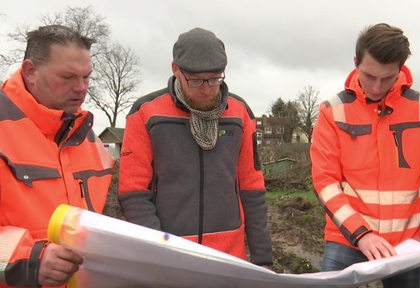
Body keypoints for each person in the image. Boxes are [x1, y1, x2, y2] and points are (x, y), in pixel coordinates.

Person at [310, 23, 420, 287]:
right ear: (356, 62)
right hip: (347, 239)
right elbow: (325, 182)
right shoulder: (332, 111)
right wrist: (361, 234)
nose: (376, 87)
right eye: (368, 76)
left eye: (386, 78)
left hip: (408, 244)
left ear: (401, 67)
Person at [117, 27, 273, 266]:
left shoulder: (240, 112)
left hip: (228, 257)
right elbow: (134, 193)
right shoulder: (145, 112)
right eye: (196, 80)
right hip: (170, 256)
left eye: (214, 79)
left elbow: (252, 189)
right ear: (175, 70)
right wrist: (160, 251)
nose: (206, 88)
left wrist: (263, 261)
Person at [0, 25, 114, 287]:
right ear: (30, 71)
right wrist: (28, 261)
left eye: (87, 77)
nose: (81, 88)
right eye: (67, 77)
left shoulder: (86, 135)